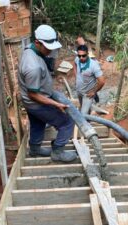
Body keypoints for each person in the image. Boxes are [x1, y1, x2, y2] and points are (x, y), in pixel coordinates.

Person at [18, 24, 77, 162]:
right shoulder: (33, 67)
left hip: (30, 102)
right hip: (36, 102)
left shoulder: (29, 50)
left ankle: (35, 149)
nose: (50, 52)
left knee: (38, 122)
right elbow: (33, 94)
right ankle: (58, 151)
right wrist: (56, 104)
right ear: (38, 43)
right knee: (67, 122)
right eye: (47, 48)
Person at [73, 44, 105, 114]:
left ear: (87, 54)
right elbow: (74, 64)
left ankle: (87, 122)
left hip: (88, 94)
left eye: (83, 55)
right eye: (79, 55)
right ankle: (88, 120)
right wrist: (76, 76)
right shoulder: (77, 59)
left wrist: (94, 92)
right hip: (79, 91)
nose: (81, 58)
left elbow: (102, 81)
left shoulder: (94, 65)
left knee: (83, 114)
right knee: (83, 108)